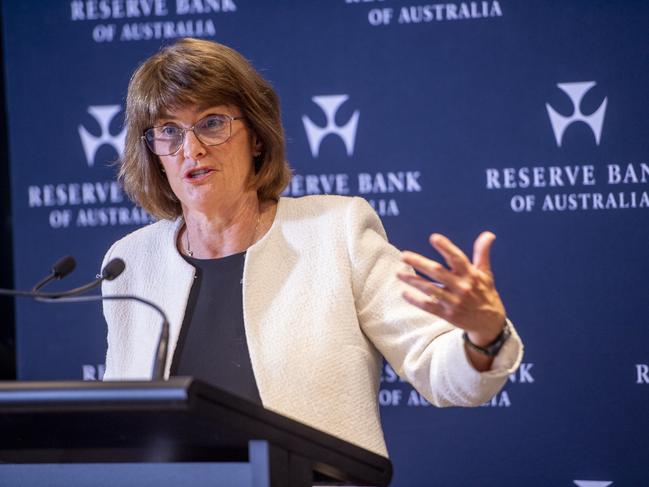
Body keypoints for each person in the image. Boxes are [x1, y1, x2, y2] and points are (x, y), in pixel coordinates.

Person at [102, 38, 523, 457]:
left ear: (257, 139)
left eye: (212, 122)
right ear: (153, 152)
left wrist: (483, 335)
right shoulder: (131, 262)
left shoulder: (336, 232)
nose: (191, 149)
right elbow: (121, 420)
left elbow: (437, 365)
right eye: (169, 131)